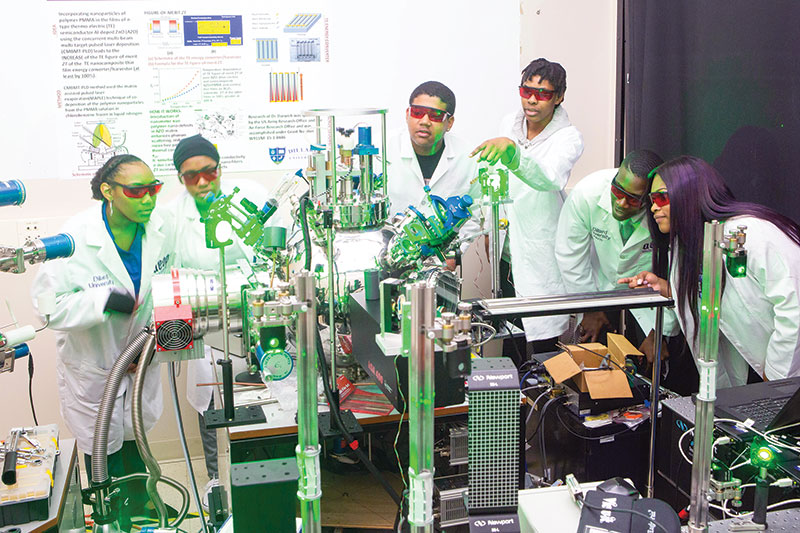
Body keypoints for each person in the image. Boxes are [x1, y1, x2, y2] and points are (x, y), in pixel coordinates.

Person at [32, 154, 175, 529]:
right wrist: (103, 301)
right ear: (108, 191)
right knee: (102, 448)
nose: (148, 200)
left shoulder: (159, 229)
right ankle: (114, 515)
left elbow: (171, 289)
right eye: (137, 191)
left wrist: (153, 344)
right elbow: (47, 308)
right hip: (93, 366)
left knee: (136, 437)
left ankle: (143, 503)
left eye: (153, 189)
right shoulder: (75, 238)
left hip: (140, 359)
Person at [621, 155, 800, 387]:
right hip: (753, 372)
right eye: (651, 199)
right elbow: (711, 294)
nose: (654, 207)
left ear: (689, 194)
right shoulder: (689, 246)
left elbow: (794, 304)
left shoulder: (750, 233)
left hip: (784, 369)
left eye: (662, 197)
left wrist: (776, 377)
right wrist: (669, 288)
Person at [170, 134, 270, 510]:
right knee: (211, 398)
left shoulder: (251, 195)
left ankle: (261, 470)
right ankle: (217, 480)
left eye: (208, 172)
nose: (201, 182)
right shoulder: (172, 217)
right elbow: (171, 274)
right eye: (191, 176)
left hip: (255, 311)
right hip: (206, 321)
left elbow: (275, 251)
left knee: (262, 395)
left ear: (220, 169)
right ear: (181, 178)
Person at [472, 58, 584, 352]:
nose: (532, 100)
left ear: (559, 97)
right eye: (526, 91)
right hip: (506, 248)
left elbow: (550, 178)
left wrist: (513, 154)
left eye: (543, 93)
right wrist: (489, 228)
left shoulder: (568, 138)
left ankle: (540, 397)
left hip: (539, 251)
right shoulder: (509, 123)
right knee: (511, 339)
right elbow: (494, 176)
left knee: (541, 344)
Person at [555, 150, 666, 344]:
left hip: (650, 298)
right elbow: (570, 255)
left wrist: (660, 332)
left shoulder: (663, 210)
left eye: (633, 199)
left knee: (650, 362)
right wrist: (590, 308)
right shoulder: (587, 192)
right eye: (617, 191)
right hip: (599, 289)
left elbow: (673, 272)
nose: (621, 203)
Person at [386, 81, 481, 264]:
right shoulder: (383, 150)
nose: (424, 121)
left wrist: (453, 255)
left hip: (439, 265)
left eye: (436, 116)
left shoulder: (468, 157)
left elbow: (474, 213)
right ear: (407, 114)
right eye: (417, 113)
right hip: (389, 259)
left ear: (449, 122)